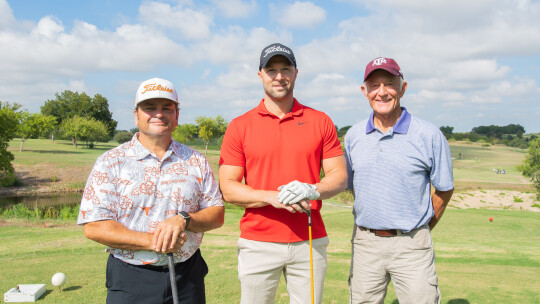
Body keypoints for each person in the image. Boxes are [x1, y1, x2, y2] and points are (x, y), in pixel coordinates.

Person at [219, 42, 347, 304]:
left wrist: (313, 189)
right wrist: (271, 197)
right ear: (260, 75)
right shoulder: (240, 126)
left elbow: (339, 176)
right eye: (271, 70)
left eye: (285, 69)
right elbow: (228, 187)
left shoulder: (320, 120)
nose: (279, 76)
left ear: (296, 73)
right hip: (258, 242)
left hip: (309, 240)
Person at [78, 77, 225, 304]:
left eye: (167, 108)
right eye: (149, 107)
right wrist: (153, 241)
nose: (159, 113)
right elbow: (94, 226)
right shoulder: (110, 162)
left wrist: (183, 220)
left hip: (187, 274)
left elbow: (216, 214)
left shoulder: (196, 160)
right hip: (131, 277)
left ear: (177, 115)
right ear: (136, 115)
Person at [344, 57, 454, 304]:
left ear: (403, 88)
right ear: (365, 91)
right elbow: (354, 187)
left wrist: (421, 225)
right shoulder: (353, 136)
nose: (382, 92)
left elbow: (445, 189)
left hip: (413, 244)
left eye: (390, 84)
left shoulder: (429, 134)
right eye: (374, 85)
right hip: (365, 243)